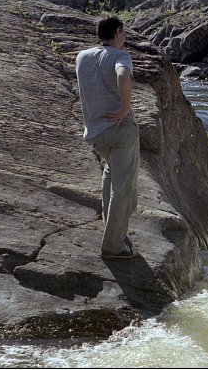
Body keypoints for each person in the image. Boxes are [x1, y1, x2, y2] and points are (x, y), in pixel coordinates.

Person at [76, 14, 139, 259]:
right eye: (123, 34)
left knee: (111, 173)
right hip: (121, 130)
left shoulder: (81, 56)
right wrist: (124, 108)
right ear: (117, 32)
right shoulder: (121, 56)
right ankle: (113, 246)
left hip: (95, 133)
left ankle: (110, 228)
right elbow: (123, 75)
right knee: (124, 187)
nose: (124, 39)